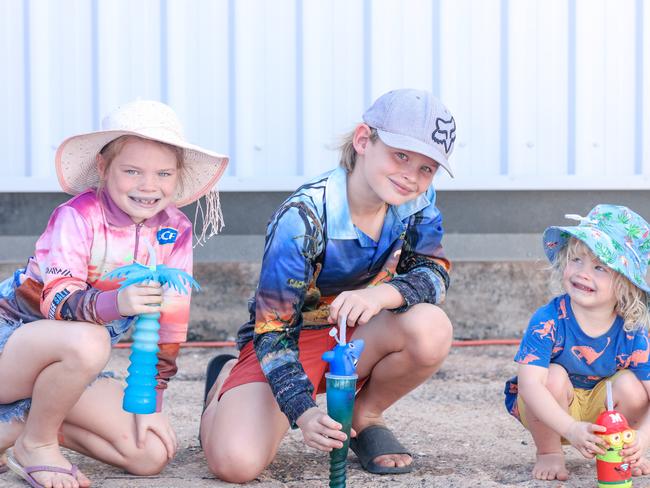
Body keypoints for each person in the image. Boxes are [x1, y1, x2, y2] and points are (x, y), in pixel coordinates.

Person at [199, 88, 456, 482]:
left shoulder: (416, 203)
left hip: (356, 332)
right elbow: (274, 331)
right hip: (289, 339)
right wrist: (303, 410)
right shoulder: (301, 219)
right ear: (363, 140)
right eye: (400, 155)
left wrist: (383, 294)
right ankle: (225, 382)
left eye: (427, 168)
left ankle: (364, 416)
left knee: (431, 326)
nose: (411, 176)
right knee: (235, 464)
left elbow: (434, 272)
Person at [0, 100, 228, 488]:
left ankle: (20, 431)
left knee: (149, 453)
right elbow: (56, 298)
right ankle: (35, 444)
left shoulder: (175, 230)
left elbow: (171, 321)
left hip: (72, 365)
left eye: (163, 173)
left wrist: (151, 397)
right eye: (132, 171)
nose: (148, 185)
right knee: (90, 341)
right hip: (14, 348)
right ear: (104, 169)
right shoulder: (77, 216)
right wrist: (114, 303)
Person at [504, 204, 650, 482]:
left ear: (625, 284)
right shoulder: (548, 320)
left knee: (633, 387)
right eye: (576, 260)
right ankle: (549, 452)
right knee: (552, 376)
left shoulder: (633, 331)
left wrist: (643, 437)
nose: (583, 273)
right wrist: (570, 428)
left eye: (599, 267)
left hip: (604, 412)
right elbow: (529, 385)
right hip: (554, 408)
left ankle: (623, 451)